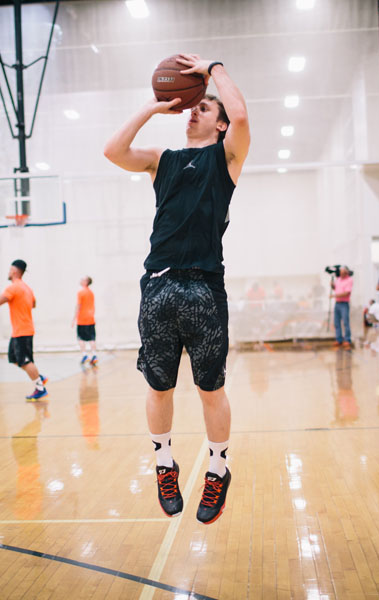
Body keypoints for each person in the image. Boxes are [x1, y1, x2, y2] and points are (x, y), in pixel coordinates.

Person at [103, 53, 249, 524]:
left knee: (211, 389)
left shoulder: (226, 157)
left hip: (205, 287)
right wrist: (152, 106)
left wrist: (213, 70)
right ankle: (164, 462)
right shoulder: (160, 160)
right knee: (158, 385)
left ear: (220, 126)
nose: (193, 112)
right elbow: (113, 150)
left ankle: (218, 469)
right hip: (159, 286)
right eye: (192, 107)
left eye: (204, 109)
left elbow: (242, 114)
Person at [0, 259, 47, 401]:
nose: (8, 273)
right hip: (19, 330)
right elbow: (34, 304)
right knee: (14, 358)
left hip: (23, 330)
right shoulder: (27, 288)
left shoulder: (13, 287)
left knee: (26, 361)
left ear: (15, 271)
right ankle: (38, 377)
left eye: (10, 270)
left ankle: (40, 389)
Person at [72, 276, 97, 366]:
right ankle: (94, 355)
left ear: (86, 282)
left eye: (83, 279)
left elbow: (78, 306)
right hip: (91, 319)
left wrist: (74, 319)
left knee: (81, 338)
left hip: (82, 319)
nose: (81, 280)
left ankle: (84, 355)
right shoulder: (91, 293)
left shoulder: (81, 292)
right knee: (92, 338)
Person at [330, 266, 353, 348]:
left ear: (346, 272)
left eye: (343, 272)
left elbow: (347, 293)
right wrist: (332, 285)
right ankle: (339, 339)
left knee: (345, 322)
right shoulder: (338, 279)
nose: (341, 274)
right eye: (340, 272)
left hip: (344, 303)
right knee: (336, 322)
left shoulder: (349, 280)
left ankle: (347, 339)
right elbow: (335, 288)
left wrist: (334, 295)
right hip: (337, 303)